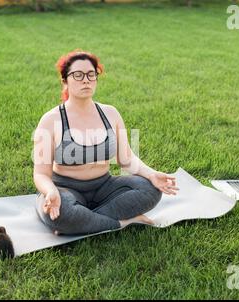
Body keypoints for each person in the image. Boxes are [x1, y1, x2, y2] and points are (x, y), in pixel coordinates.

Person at [33, 49, 179, 236]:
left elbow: (126, 159)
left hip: (104, 187)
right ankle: (124, 222)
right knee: (59, 213)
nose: (85, 80)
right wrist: (51, 191)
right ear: (65, 81)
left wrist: (151, 174)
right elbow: (40, 174)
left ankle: (84, 221)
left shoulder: (110, 113)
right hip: (65, 190)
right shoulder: (51, 120)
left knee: (151, 190)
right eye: (77, 75)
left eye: (91, 74)